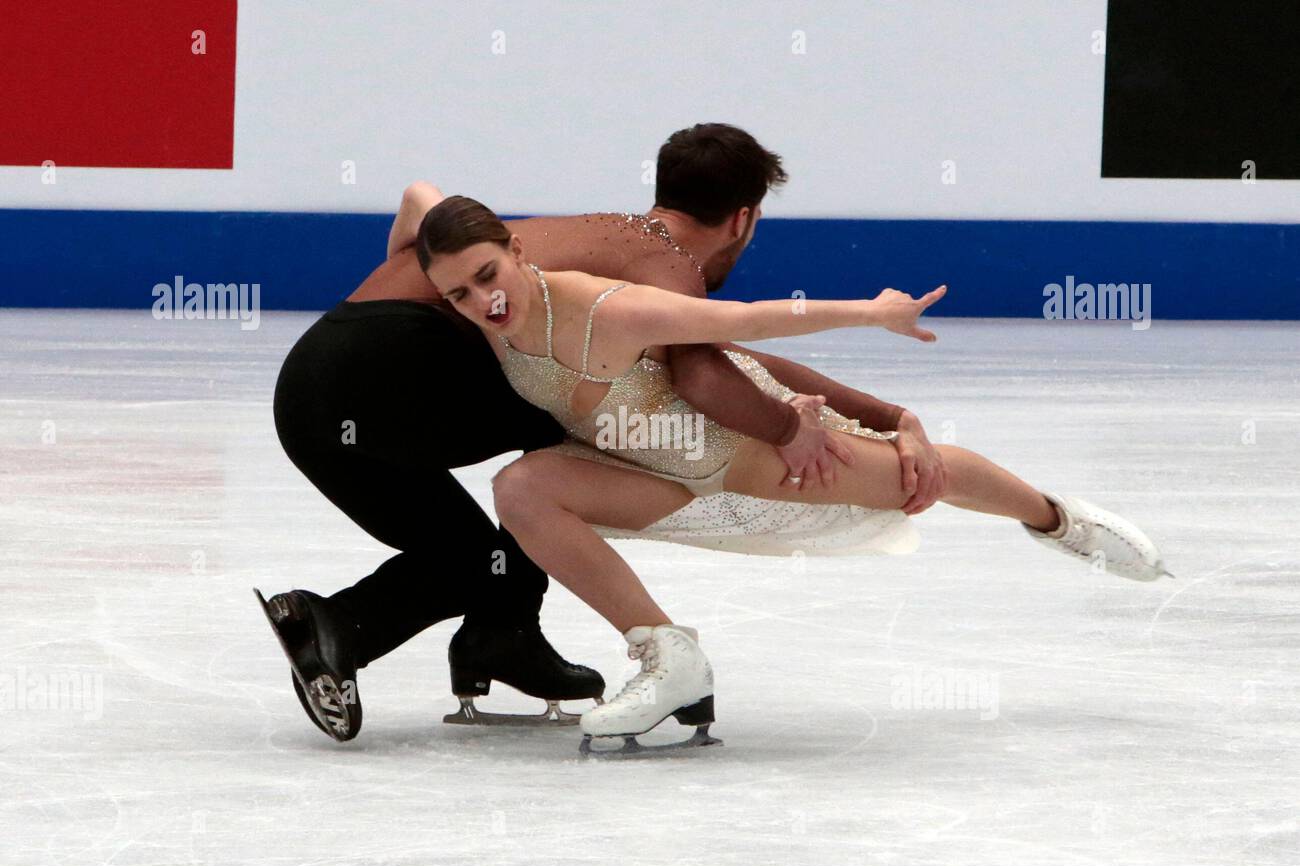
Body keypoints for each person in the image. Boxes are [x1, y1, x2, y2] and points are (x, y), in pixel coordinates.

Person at [416, 196, 1172, 754]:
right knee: (521, 489)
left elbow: (748, 324)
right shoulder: (493, 323)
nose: (485, 301)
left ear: (517, 249)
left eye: (488, 275)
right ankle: (668, 656)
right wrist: (414, 219)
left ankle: (1057, 519)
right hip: (651, 474)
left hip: (756, 454)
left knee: (917, 476)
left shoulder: (608, 310)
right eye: (459, 294)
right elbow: (419, 198)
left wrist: (871, 313)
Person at [260, 123, 942, 741]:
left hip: (309, 389)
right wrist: (800, 426)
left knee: (475, 552)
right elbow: (710, 374)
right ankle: (509, 632)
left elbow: (419, 199)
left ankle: (367, 629)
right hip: (393, 373)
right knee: (588, 423)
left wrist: (418, 269)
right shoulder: (664, 265)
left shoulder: (583, 234)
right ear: (744, 219)